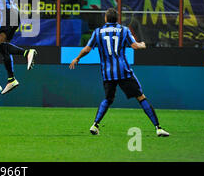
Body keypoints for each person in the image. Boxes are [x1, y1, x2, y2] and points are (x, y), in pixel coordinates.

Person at [69, 8, 170, 137]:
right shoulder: (124, 30)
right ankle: (158, 128)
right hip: (123, 72)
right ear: (117, 19)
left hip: (107, 73)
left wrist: (77, 58)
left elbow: (87, 49)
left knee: (108, 99)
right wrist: (143, 44)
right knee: (141, 97)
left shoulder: (98, 32)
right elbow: (134, 46)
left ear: (105, 19)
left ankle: (94, 125)